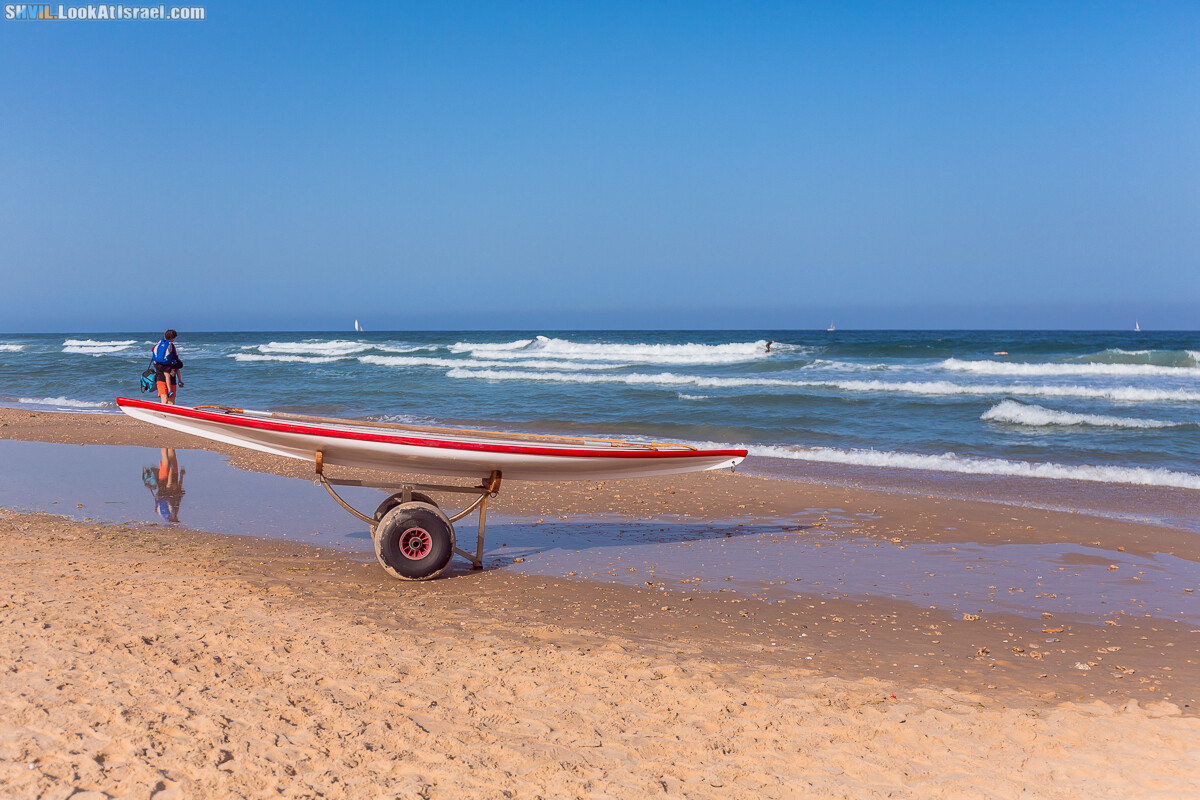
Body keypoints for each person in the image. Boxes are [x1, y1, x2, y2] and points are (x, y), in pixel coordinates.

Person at [151, 329, 184, 404]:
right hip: (171, 374)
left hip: (160, 374)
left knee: (164, 396)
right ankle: (180, 381)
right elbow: (175, 357)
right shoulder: (171, 345)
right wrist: (176, 366)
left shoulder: (158, 344)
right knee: (171, 399)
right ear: (172, 338)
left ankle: (163, 413)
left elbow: (152, 350)